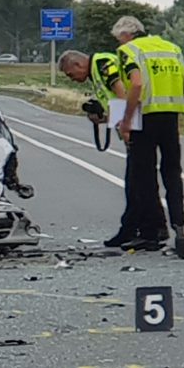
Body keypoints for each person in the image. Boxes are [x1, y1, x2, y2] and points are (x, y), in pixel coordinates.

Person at [113, 16, 184, 250]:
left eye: (118, 39)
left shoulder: (129, 50)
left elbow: (137, 84)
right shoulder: (172, 49)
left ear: (126, 35)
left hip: (145, 116)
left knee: (145, 175)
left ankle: (152, 232)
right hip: (170, 116)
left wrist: (127, 121)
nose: (118, 44)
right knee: (172, 172)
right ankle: (180, 227)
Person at [61, 49, 137, 246]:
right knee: (137, 181)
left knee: (136, 182)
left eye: (71, 74)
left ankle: (137, 229)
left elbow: (121, 92)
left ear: (78, 64)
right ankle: (145, 227)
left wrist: (126, 125)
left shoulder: (102, 63)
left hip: (136, 123)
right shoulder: (95, 72)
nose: (73, 80)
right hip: (133, 122)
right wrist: (103, 118)